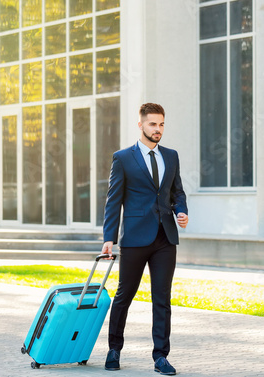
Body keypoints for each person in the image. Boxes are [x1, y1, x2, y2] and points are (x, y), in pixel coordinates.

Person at [101, 103, 188, 375]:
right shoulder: (123, 158)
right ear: (141, 125)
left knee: (162, 298)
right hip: (135, 239)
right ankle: (114, 349)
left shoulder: (171, 156)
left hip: (165, 238)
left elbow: (178, 192)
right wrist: (109, 238)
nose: (158, 129)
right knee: (124, 295)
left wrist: (182, 210)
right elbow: (113, 201)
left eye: (161, 124)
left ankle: (161, 356)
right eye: (153, 124)